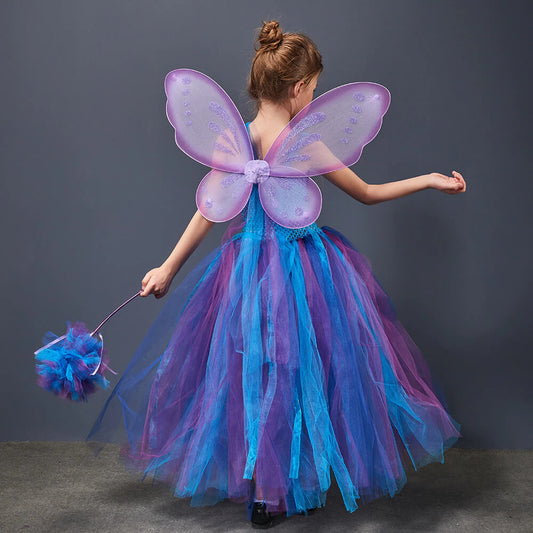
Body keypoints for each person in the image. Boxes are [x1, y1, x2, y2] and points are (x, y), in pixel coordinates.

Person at [87, 20, 466, 529]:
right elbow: (367, 193)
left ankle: (273, 487)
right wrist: (429, 180)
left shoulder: (238, 140)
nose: (314, 98)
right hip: (300, 272)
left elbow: (207, 212)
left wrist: (168, 268)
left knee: (257, 371)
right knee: (297, 372)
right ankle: (276, 485)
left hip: (245, 273)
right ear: (298, 88)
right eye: (315, 89)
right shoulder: (306, 144)